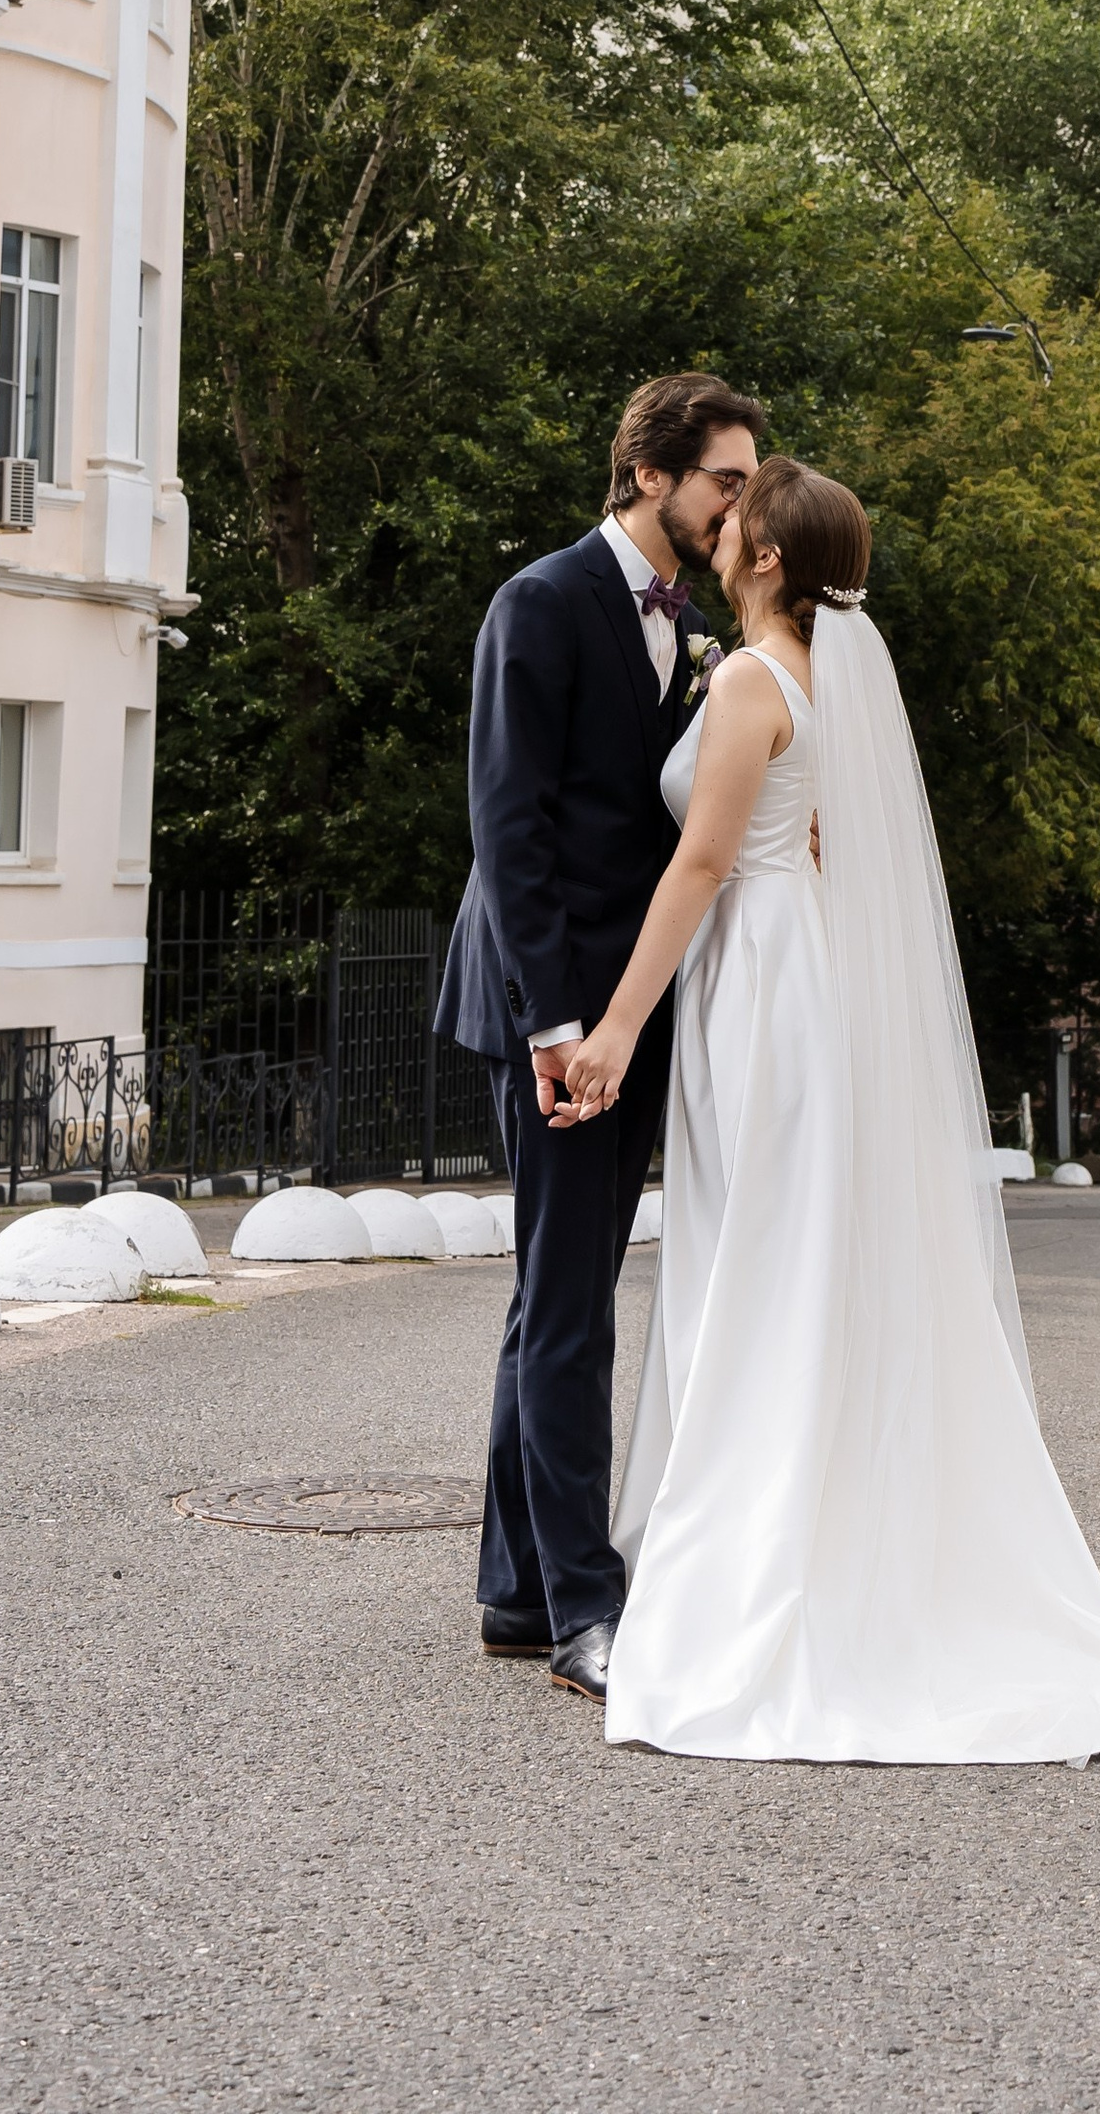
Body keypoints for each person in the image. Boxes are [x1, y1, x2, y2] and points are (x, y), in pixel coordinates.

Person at [552, 454, 1100, 1765]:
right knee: (784, 1265)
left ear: (768, 559)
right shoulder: (810, 680)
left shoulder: (757, 680)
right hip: (788, 971)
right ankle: (793, 1536)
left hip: (755, 989)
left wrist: (614, 1029)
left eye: (741, 521)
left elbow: (707, 861)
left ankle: (753, 1563)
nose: (721, 527)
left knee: (757, 1267)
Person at [435, 371, 765, 1696]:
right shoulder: (540, 602)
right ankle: (586, 1609)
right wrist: (558, 1028)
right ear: (649, 473)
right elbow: (507, 832)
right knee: (569, 1310)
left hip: (624, 1012)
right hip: (557, 1014)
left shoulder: (689, 622)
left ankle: (517, 1593)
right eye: (724, 479)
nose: (740, 503)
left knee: (555, 1297)